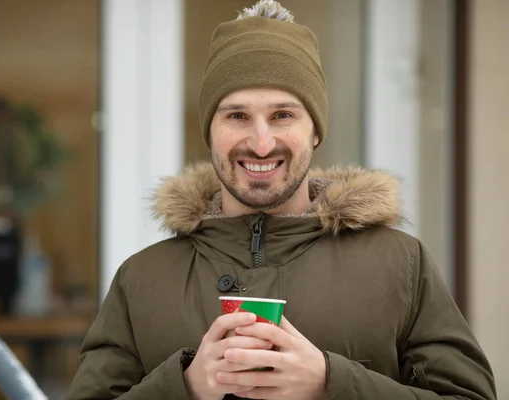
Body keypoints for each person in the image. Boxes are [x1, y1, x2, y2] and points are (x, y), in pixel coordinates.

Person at [67, 1, 497, 399]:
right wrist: (185, 387)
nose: (260, 142)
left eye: (283, 115)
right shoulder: (141, 277)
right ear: (209, 131)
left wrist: (332, 383)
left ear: (315, 130)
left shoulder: (400, 263)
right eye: (236, 115)